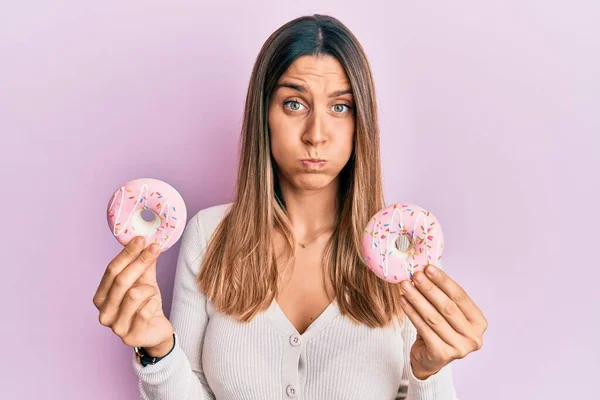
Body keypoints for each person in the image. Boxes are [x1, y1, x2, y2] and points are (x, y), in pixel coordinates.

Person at [93, 14, 487, 400]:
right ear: (264, 113)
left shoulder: (402, 256)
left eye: (340, 107)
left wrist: (428, 371)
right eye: (295, 104)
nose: (316, 135)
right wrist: (158, 350)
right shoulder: (209, 235)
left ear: (361, 121)